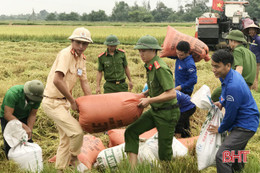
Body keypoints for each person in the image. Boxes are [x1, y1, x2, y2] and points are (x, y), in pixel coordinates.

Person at [124, 35, 180, 168]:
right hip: (155, 111)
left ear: (154, 51)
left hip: (167, 113)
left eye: (144, 51)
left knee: (164, 151)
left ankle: (167, 170)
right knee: (131, 131)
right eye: (139, 51)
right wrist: (145, 93)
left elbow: (171, 93)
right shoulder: (149, 66)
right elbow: (156, 85)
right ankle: (133, 169)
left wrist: (149, 100)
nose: (141, 54)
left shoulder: (160, 67)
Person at [41, 27, 92, 172]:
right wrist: (72, 101)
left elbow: (85, 82)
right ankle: (74, 157)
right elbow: (58, 80)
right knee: (76, 132)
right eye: (78, 42)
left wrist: (93, 104)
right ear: (72, 41)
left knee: (65, 139)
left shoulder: (81, 59)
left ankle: (60, 169)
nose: (81, 46)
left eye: (85, 43)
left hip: (63, 103)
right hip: (52, 102)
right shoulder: (65, 55)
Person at [208, 50, 259, 173]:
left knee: (222, 156)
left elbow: (230, 115)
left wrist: (220, 129)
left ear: (228, 65)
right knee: (237, 155)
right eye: (212, 66)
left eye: (217, 66)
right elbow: (228, 98)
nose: (214, 69)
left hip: (244, 126)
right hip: (246, 121)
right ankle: (238, 170)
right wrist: (221, 103)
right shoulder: (228, 76)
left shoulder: (233, 85)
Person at [0, 80, 44, 158]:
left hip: (24, 115)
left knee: (27, 140)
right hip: (9, 117)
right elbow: (7, 114)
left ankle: (29, 161)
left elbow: (33, 114)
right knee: (11, 141)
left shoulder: (37, 98)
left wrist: (29, 129)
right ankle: (12, 162)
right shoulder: (13, 93)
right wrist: (24, 126)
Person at [211, 30, 257, 102]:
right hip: (248, 87)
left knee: (215, 95)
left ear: (233, 41)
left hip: (239, 85)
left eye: (229, 41)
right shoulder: (251, 53)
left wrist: (233, 85)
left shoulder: (238, 50)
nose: (228, 44)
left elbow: (239, 69)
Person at [243, 23, 260, 91]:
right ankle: (252, 89)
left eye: (252, 30)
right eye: (250, 30)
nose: (250, 32)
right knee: (252, 75)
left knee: (255, 76)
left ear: (255, 31)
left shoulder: (258, 39)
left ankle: (254, 90)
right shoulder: (252, 39)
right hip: (252, 60)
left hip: (257, 61)